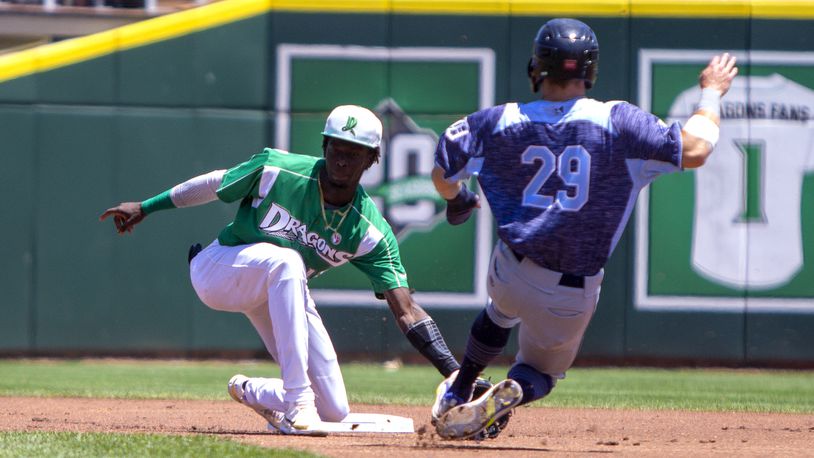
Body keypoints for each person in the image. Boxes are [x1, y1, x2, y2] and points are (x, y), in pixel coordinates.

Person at [429, 18, 738, 440]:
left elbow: (443, 165)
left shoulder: (497, 121)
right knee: (543, 370)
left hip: (512, 267)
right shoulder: (618, 121)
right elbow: (697, 149)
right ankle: (515, 389)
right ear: (589, 70)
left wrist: (456, 198)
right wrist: (711, 93)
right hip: (570, 289)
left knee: (499, 311)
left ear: (537, 67)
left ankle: (459, 388)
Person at [100, 105, 460, 436]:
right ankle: (298, 402)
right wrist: (146, 207)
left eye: (353, 153)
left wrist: (456, 374)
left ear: (372, 158)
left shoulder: (369, 231)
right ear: (324, 146)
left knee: (333, 410)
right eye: (335, 148)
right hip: (219, 269)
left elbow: (407, 310)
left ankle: (252, 390)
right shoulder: (279, 169)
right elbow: (214, 184)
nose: (341, 159)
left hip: (279, 288)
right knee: (288, 262)